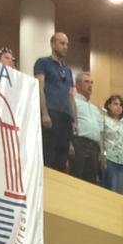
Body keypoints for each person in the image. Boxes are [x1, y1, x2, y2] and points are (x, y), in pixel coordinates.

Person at [34, 32, 75, 173]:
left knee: (62, 158)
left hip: (66, 116)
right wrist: (44, 113)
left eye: (67, 44)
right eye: (62, 43)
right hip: (51, 112)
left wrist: (73, 120)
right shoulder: (43, 62)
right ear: (52, 44)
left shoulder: (68, 70)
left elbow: (71, 96)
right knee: (48, 153)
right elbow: (39, 88)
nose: (66, 47)